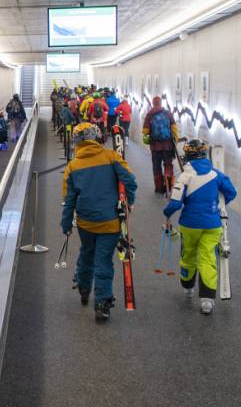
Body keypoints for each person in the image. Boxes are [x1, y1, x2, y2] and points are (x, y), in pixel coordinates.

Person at [61, 123, 138, 321]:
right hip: (110, 221)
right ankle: (102, 303)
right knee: (103, 260)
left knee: (86, 253)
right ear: (97, 138)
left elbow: (68, 200)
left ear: (77, 142)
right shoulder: (111, 157)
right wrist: (129, 202)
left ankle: (84, 288)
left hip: (85, 222)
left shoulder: (72, 167)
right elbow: (130, 181)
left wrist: (66, 223)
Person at [163, 140, 237, 315]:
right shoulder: (216, 174)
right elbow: (232, 192)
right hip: (213, 225)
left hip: (190, 224)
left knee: (188, 255)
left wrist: (166, 214)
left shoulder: (185, 176)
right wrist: (218, 204)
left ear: (187, 156)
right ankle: (207, 300)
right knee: (208, 258)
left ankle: (188, 287)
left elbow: (175, 203)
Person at [142, 96, 178, 194]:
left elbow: (145, 131)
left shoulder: (149, 114)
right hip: (168, 146)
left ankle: (159, 188)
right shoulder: (167, 113)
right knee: (168, 165)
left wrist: (148, 135)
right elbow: (174, 128)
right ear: (161, 103)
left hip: (155, 147)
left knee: (156, 167)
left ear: (153, 103)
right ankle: (169, 187)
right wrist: (175, 139)